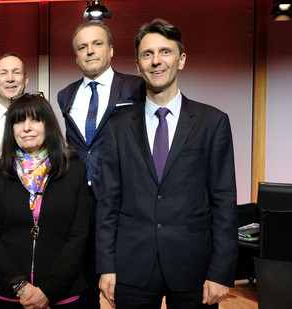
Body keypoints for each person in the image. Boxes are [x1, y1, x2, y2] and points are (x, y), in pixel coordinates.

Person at [97, 19, 237, 309]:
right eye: (147, 54)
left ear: (181, 59)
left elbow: (224, 202)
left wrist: (221, 271)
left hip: (194, 268)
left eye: (165, 52)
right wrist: (106, 266)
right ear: (137, 65)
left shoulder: (212, 122)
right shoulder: (117, 128)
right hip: (132, 267)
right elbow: (108, 202)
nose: (156, 61)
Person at [56, 21, 145, 309]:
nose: (90, 51)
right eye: (82, 47)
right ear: (76, 55)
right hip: (80, 200)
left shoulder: (136, 86)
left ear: (110, 49)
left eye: (96, 44)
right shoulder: (65, 95)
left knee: (128, 283)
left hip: (124, 199)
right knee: (82, 282)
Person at [0, 92, 89, 309]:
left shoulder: (74, 170)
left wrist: (49, 290)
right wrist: (20, 286)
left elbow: (79, 234)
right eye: (19, 121)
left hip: (61, 292)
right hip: (5, 292)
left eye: (35, 120)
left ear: (48, 124)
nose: (26, 128)